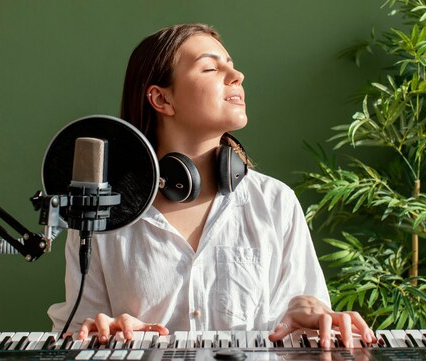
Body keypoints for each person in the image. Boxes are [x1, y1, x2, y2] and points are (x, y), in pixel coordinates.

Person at [47, 23, 377, 348]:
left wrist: (311, 315)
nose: (237, 76)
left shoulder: (276, 203)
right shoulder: (99, 213)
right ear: (162, 99)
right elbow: (75, 334)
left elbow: (312, 338)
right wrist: (99, 333)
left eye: (231, 66)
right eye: (209, 67)